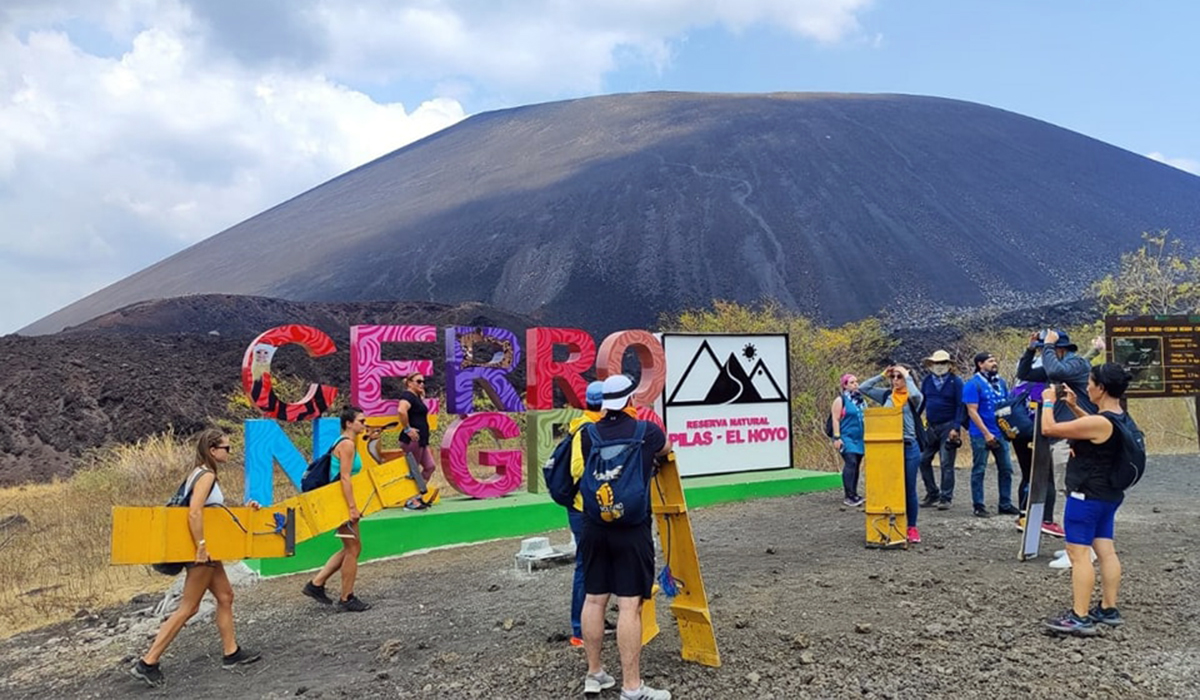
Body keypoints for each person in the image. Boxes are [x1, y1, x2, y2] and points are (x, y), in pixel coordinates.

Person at [130, 430, 261, 687]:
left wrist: (246, 508)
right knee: (189, 607)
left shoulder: (200, 473)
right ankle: (148, 661)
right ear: (213, 450)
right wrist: (201, 546)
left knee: (225, 597)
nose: (229, 452)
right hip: (202, 551)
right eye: (226, 448)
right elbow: (194, 513)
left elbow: (215, 510)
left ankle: (231, 652)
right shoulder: (207, 475)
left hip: (209, 550)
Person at [575, 374, 673, 700]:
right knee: (630, 605)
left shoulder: (588, 434)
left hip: (594, 526)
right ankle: (632, 687)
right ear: (631, 400)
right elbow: (667, 448)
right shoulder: (647, 433)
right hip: (631, 529)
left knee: (594, 599)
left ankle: (595, 673)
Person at [1041, 364, 1136, 635]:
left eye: (1091, 383)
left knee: (1078, 554)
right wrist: (1073, 406)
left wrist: (1048, 403)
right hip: (1108, 494)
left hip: (1087, 495)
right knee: (1106, 550)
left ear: (1102, 388)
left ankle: (1079, 615)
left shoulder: (1099, 422)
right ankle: (1108, 607)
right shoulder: (1119, 417)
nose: (1087, 387)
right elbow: (1092, 429)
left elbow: (1049, 429)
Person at [302, 406, 371, 612]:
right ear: (349, 423)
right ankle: (346, 597)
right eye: (361, 421)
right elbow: (345, 477)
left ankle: (316, 584)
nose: (364, 425)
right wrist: (351, 507)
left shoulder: (342, 442)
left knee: (351, 548)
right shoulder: (347, 445)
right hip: (340, 503)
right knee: (353, 549)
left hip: (338, 501)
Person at [859, 365, 924, 543]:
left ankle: (912, 527)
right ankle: (889, 523)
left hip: (909, 446)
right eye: (893, 377)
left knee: (909, 488)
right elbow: (864, 388)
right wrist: (882, 375)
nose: (895, 380)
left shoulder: (913, 397)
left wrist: (907, 376)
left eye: (899, 377)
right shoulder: (887, 395)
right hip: (888, 446)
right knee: (888, 486)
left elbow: (918, 396)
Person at [565, 380, 606, 647]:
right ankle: (580, 628)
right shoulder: (587, 430)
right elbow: (577, 469)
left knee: (597, 566)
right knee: (587, 567)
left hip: (585, 508)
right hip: (583, 508)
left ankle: (593, 620)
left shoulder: (586, 426)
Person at [963, 352, 1019, 518]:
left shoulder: (1001, 382)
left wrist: (1009, 428)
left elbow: (1006, 406)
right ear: (980, 364)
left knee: (1006, 468)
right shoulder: (973, 384)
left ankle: (1005, 503)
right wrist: (986, 433)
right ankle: (979, 505)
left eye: (995, 360)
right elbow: (972, 411)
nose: (994, 363)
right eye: (990, 361)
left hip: (1000, 431)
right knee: (979, 469)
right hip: (981, 433)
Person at [917, 350, 965, 510]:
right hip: (930, 426)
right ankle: (932, 493)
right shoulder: (927, 381)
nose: (939, 366)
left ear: (949, 365)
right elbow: (922, 402)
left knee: (946, 463)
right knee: (923, 460)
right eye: (937, 363)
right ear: (931, 365)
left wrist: (956, 427)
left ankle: (946, 497)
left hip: (948, 425)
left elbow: (960, 405)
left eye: (943, 363)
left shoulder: (956, 382)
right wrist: (916, 420)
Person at [397, 372, 439, 510]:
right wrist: (408, 429)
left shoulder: (416, 397)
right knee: (413, 470)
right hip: (412, 441)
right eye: (418, 381)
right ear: (409, 383)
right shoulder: (407, 396)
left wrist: (421, 395)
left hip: (421, 440)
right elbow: (401, 411)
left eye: (423, 382)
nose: (422, 384)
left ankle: (416, 496)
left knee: (430, 467)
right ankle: (410, 500)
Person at [830, 373, 867, 507]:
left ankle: (854, 493)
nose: (855, 384)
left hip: (860, 438)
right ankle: (848, 495)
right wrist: (837, 437)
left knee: (856, 464)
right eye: (851, 382)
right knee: (850, 462)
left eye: (856, 382)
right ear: (845, 385)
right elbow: (835, 418)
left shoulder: (861, 401)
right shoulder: (841, 400)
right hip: (846, 437)